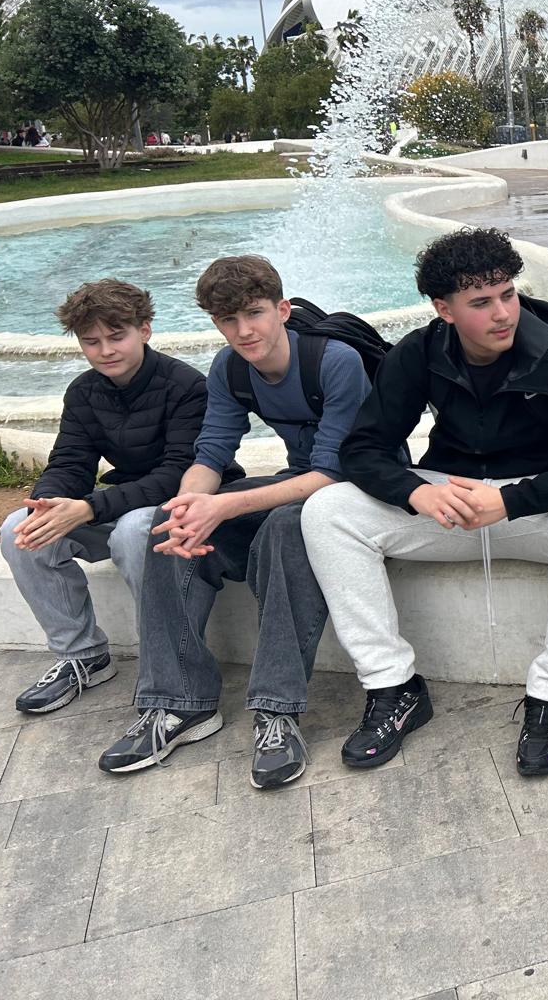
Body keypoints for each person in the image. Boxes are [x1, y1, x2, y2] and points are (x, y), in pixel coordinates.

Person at [301, 228, 548, 773]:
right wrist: (417, 492)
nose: (503, 314)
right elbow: (362, 449)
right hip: (450, 505)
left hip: (534, 507)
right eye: (481, 302)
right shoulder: (418, 353)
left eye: (508, 294)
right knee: (327, 510)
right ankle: (393, 688)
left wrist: (513, 501)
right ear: (444, 309)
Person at [96, 255, 370, 788]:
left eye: (254, 313)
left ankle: (276, 711)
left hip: (360, 490)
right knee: (167, 521)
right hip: (300, 483)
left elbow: (333, 473)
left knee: (286, 528)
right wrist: (188, 509)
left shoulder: (335, 361)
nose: (243, 331)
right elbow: (212, 453)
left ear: (282, 310)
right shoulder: (230, 367)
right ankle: (180, 703)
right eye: (228, 319)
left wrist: (222, 507)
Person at [0, 279, 234, 714]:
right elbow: (70, 462)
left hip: (183, 509)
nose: (105, 350)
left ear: (144, 329)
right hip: (123, 504)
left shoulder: (186, 386)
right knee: (19, 528)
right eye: (91, 341)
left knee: (133, 531)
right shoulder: (84, 392)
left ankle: (166, 663)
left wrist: (89, 507)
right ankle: (82, 655)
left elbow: (177, 475)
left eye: (116, 336)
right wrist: (46, 504)